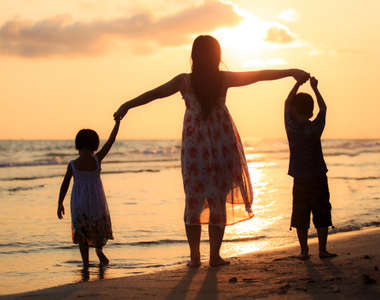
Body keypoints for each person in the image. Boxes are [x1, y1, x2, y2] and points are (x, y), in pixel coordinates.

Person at [114, 35, 310, 267]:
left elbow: (153, 94)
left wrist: (127, 105)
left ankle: (195, 258)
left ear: (194, 56)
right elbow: (259, 75)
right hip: (221, 145)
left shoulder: (184, 81)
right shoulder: (222, 79)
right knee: (217, 200)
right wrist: (291, 71)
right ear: (217, 56)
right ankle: (214, 256)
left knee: (194, 202)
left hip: (195, 149)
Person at [284, 76, 336, 260]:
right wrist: (315, 88)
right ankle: (322, 250)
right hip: (318, 176)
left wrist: (297, 83)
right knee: (322, 211)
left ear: (294, 110)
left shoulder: (291, 128)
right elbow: (324, 108)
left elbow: (286, 103)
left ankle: (304, 251)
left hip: (301, 178)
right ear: (310, 111)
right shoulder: (315, 127)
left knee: (301, 215)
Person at [57, 119, 120, 268]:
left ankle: (85, 263)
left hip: (79, 203)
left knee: (82, 234)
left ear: (78, 145)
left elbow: (64, 185)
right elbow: (111, 141)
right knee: (98, 230)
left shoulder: (73, 164)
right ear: (94, 145)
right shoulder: (96, 160)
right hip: (96, 203)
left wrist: (60, 203)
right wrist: (117, 124)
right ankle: (99, 251)